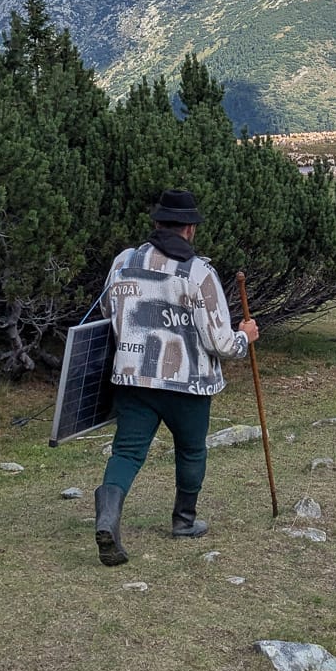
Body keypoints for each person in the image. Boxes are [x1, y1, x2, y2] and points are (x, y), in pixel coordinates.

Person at [91, 188, 260, 567]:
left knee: (127, 452)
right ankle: (183, 521)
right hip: (189, 384)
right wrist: (244, 338)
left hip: (133, 378)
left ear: (156, 223)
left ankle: (107, 516)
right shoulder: (199, 273)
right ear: (189, 229)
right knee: (191, 450)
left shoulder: (123, 261)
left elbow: (107, 308)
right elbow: (219, 341)